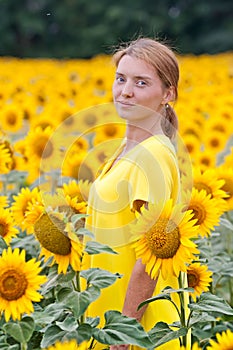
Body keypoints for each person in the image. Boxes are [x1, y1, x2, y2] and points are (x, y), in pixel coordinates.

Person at [83, 37, 185, 350]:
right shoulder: (127, 150)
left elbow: (150, 255)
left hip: (139, 330)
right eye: (121, 79)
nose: (126, 90)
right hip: (111, 315)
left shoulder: (151, 156)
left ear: (167, 94)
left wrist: (123, 337)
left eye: (141, 82)